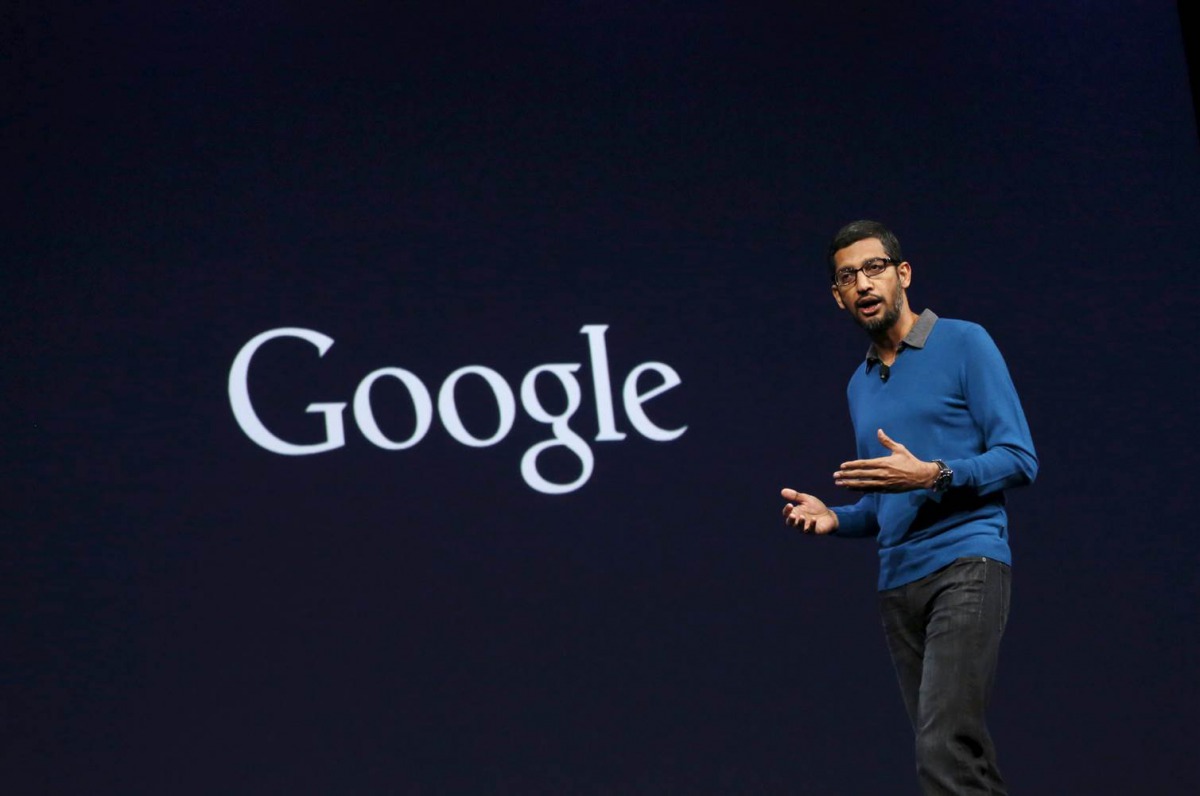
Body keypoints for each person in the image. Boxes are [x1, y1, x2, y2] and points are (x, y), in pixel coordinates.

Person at [781, 220, 1037, 795]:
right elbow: (882, 505)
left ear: (903, 274)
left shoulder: (964, 342)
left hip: (966, 564)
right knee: (954, 758)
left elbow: (1020, 458)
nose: (862, 283)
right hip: (898, 584)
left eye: (874, 268)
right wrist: (835, 518)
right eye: (847, 277)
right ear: (838, 297)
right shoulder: (859, 384)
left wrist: (935, 473)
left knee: (944, 747)